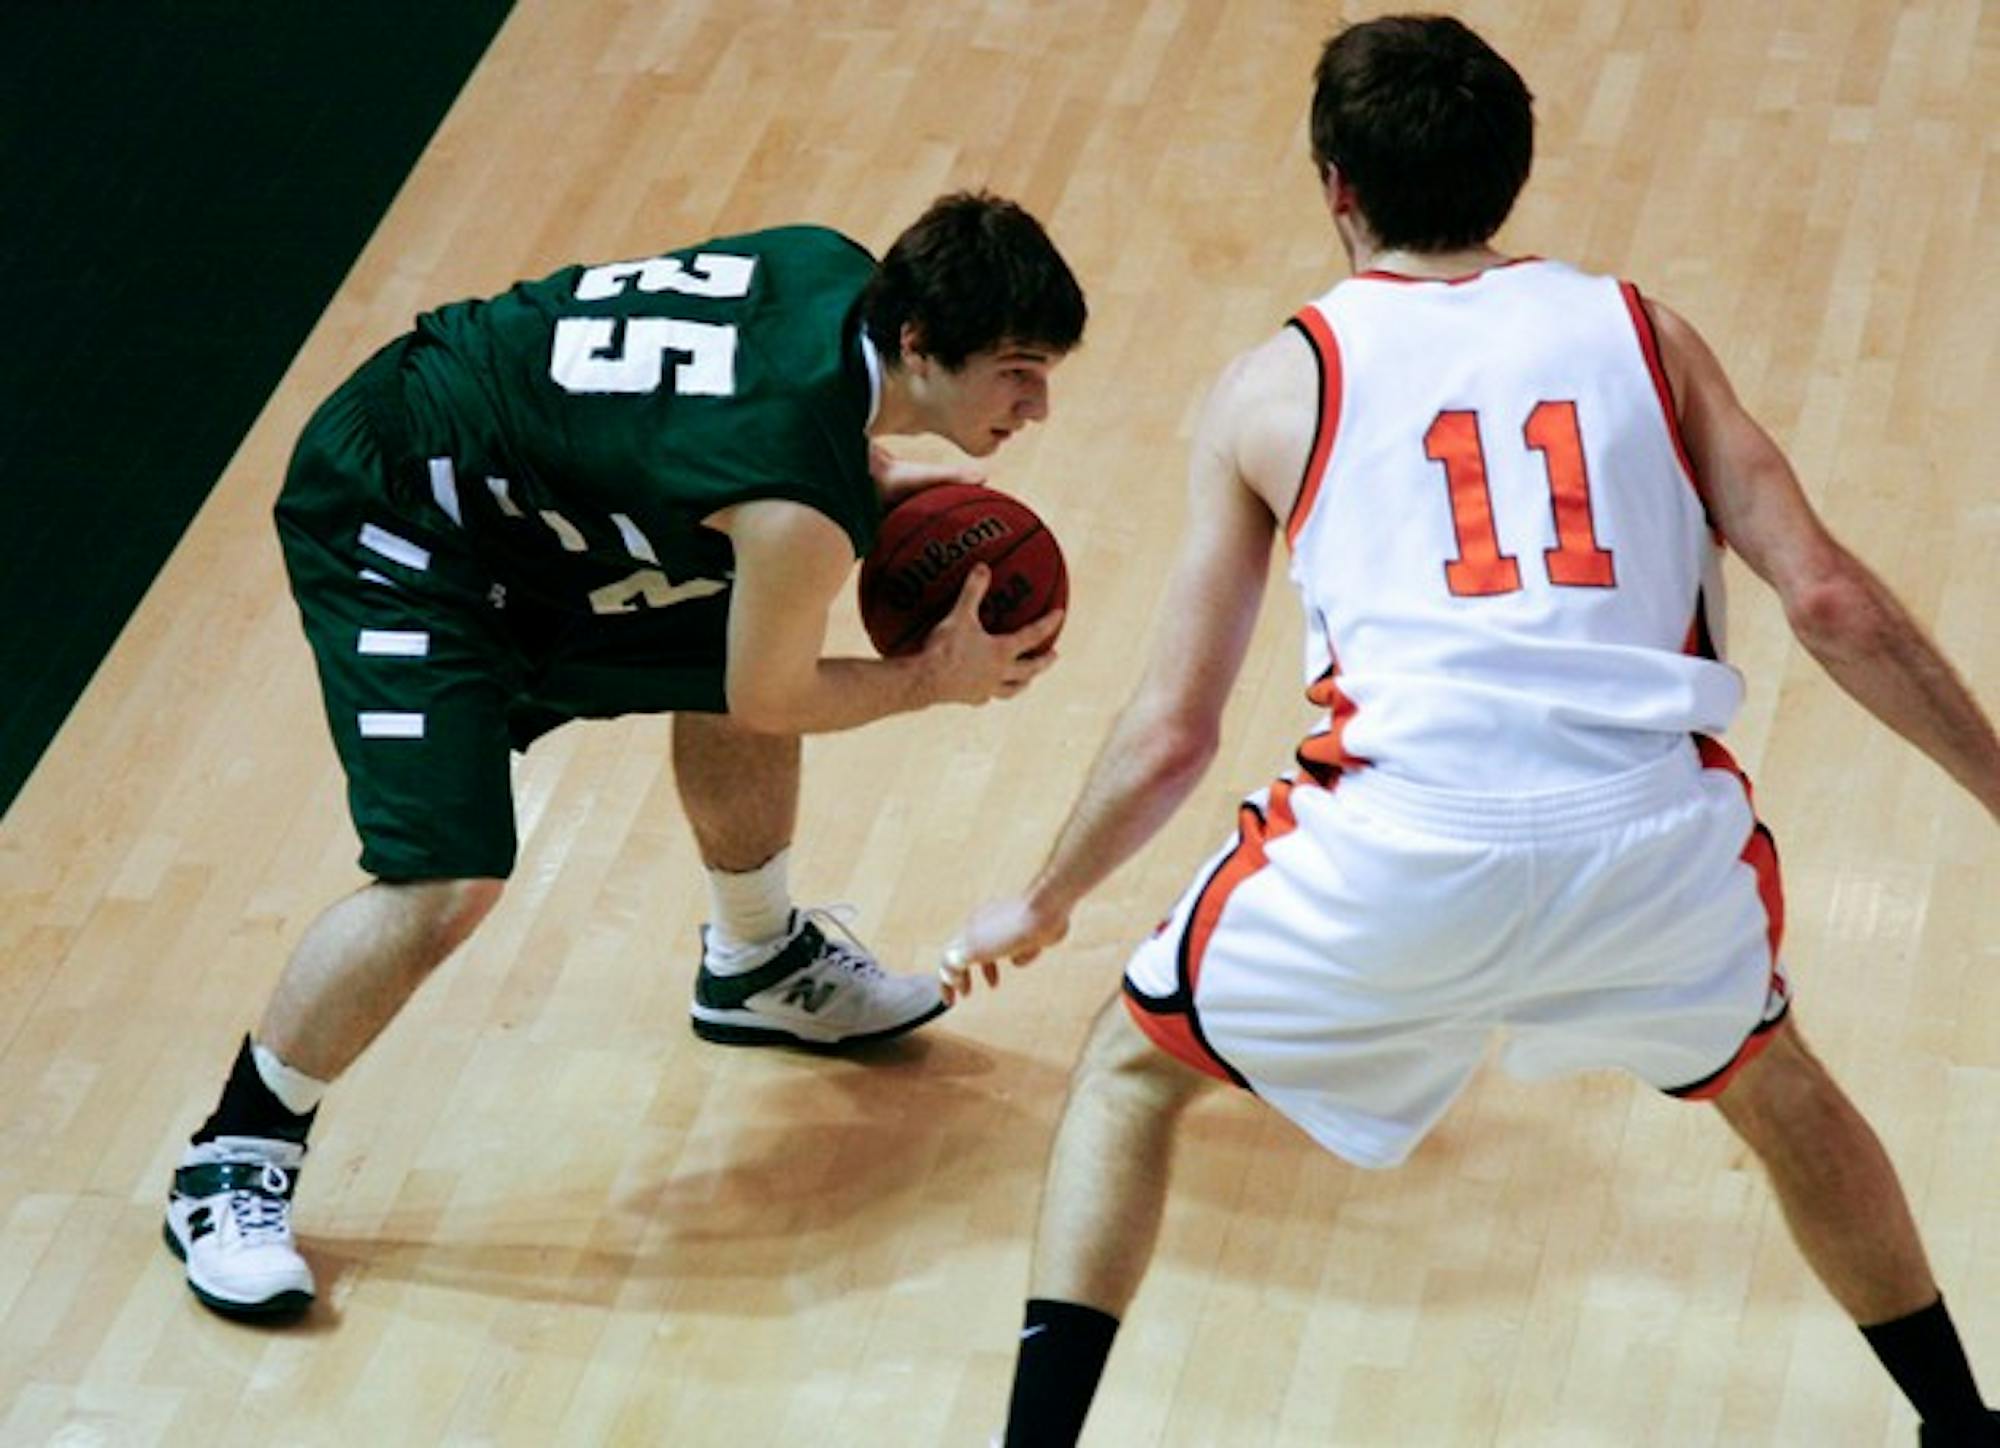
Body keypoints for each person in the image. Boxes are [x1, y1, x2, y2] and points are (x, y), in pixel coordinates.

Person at [942, 18, 2000, 1447]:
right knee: (1770, 1073)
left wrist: (1044, 894)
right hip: (1651, 840)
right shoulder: (1646, 332)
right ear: (1512, 172)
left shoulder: (1277, 383)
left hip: (1393, 845)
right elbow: (1830, 602)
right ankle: (1962, 1418)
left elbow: (1174, 732)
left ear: (1335, 187)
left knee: (1134, 1070)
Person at [164, 191, 1087, 1320]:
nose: (1037, 404)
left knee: (735, 612)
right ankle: (235, 1153)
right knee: (446, 876)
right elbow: (775, 693)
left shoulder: (827, 265)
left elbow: (692, 402)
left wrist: (865, 479)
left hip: (545, 505)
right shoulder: (793, 500)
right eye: (1016, 370)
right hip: (404, 514)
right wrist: (929, 680)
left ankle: (754, 963)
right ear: (915, 342)